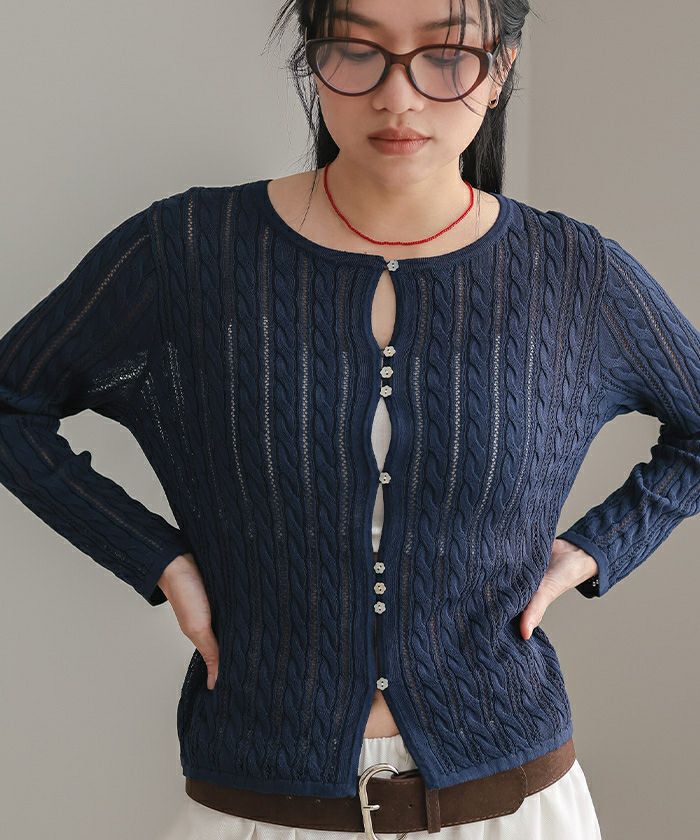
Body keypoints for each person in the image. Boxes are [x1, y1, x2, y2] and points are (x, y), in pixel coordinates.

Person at [2, 0, 698, 837]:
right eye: (356, 49)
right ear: (312, 56)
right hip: (260, 804)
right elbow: (12, 402)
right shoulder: (189, 251)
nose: (397, 96)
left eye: (446, 56)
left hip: (514, 805)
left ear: (500, 69)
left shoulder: (573, 275)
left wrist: (591, 551)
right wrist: (161, 562)